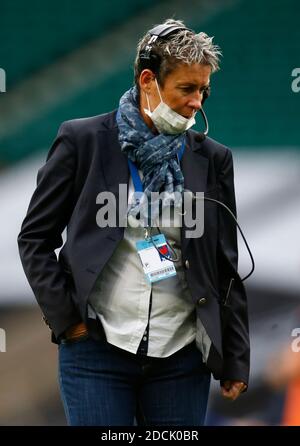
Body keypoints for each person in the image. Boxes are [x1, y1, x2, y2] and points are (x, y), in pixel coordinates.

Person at [18, 18, 250, 426]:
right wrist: (67, 320)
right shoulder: (82, 141)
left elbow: (224, 265)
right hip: (96, 351)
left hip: (181, 358)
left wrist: (235, 356)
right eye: (186, 88)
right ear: (148, 80)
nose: (197, 102)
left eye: (203, 91)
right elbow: (35, 237)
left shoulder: (213, 159)